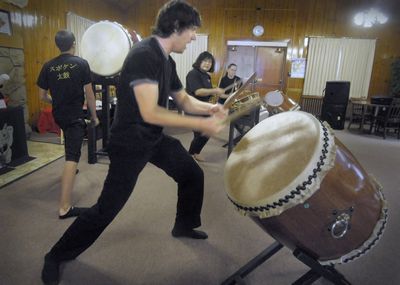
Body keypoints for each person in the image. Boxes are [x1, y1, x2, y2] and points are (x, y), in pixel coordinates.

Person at [41, 1, 227, 284]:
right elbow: (150, 110)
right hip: (129, 143)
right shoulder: (144, 55)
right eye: (192, 31)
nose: (193, 37)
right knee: (107, 208)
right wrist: (201, 124)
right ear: (176, 27)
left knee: (191, 174)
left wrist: (209, 109)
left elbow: (184, 99)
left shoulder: (167, 59)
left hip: (151, 137)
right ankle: (56, 255)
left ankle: (184, 225)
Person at [37, 30, 99, 220]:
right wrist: (94, 116)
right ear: (73, 43)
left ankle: (71, 169)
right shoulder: (81, 64)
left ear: (58, 45)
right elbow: (89, 95)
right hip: (74, 117)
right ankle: (64, 207)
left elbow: (42, 96)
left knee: (70, 145)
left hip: (59, 115)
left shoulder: (48, 66)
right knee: (73, 155)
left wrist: (56, 101)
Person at [186, 51, 225, 162]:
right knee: (201, 133)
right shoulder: (193, 74)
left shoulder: (206, 76)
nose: (207, 64)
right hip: (193, 109)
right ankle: (190, 155)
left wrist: (215, 94)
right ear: (199, 62)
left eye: (210, 62)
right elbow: (198, 92)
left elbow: (207, 92)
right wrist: (214, 90)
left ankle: (195, 152)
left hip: (204, 108)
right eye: (205, 61)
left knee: (207, 132)